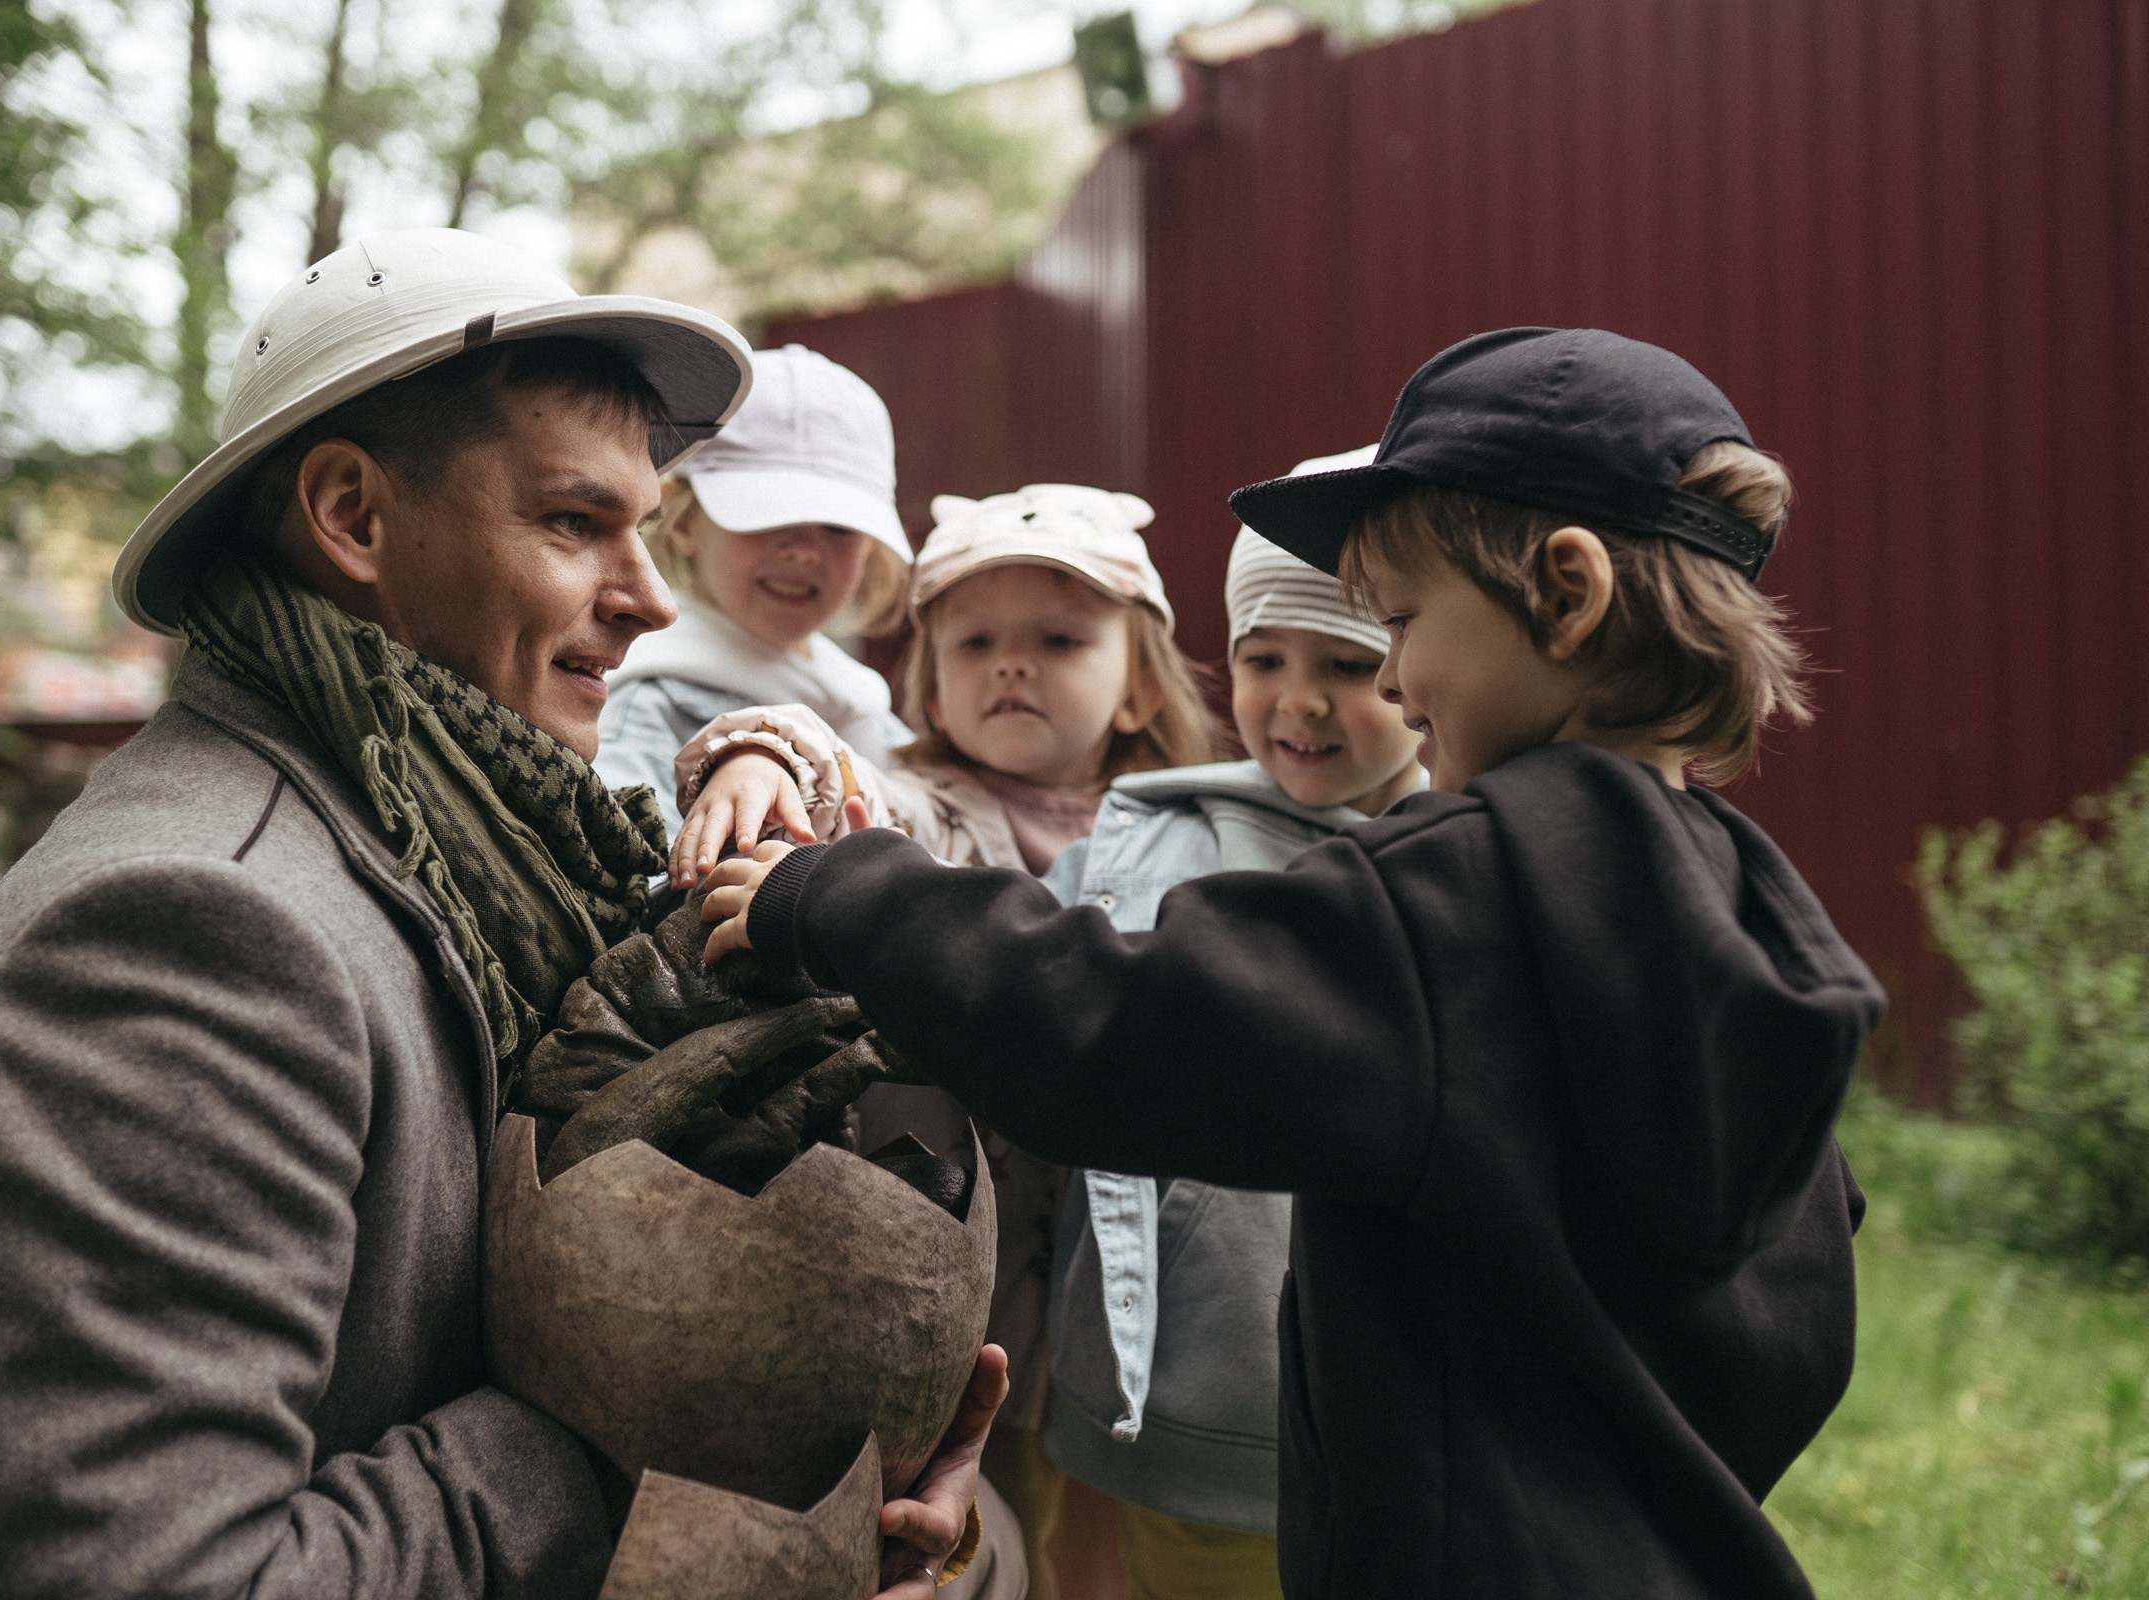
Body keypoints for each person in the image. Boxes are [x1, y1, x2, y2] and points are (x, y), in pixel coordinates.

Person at [0, 227, 1008, 1600]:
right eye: (577, 522)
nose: (648, 600)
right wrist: (662, 1438)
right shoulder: (177, 933)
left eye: (645, 527)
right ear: (352, 516)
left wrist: (824, 1504)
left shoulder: (490, 852)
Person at [696, 327, 1889, 1598]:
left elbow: (1120, 1026)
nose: (1407, 682)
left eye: (1402, 626)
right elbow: (1816, 1267)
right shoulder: (1746, 889)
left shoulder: (1470, 886)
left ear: (1568, 593)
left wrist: (841, 894)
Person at [669, 482, 1217, 1600]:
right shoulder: (924, 808)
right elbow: (840, 779)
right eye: (975, 642)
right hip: (953, 1246)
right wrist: (765, 759)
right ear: (927, 679)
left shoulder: (1181, 828)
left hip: (1128, 1284)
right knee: (957, 1487)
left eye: (1059, 640)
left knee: (1101, 1529)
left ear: (1137, 688)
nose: (1010, 665)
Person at [1037, 461, 1422, 1600]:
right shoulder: (1151, 843)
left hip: (1401, 1397)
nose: (1296, 703)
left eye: (1348, 665)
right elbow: (1022, 976)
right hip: (1199, 1390)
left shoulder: (1461, 856)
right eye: (1263, 659)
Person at [593, 342, 914, 834]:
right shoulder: (642, 710)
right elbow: (642, 886)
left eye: (837, 527)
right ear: (683, 521)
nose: (804, 550)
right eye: (771, 516)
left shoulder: (862, 706)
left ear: (870, 544)